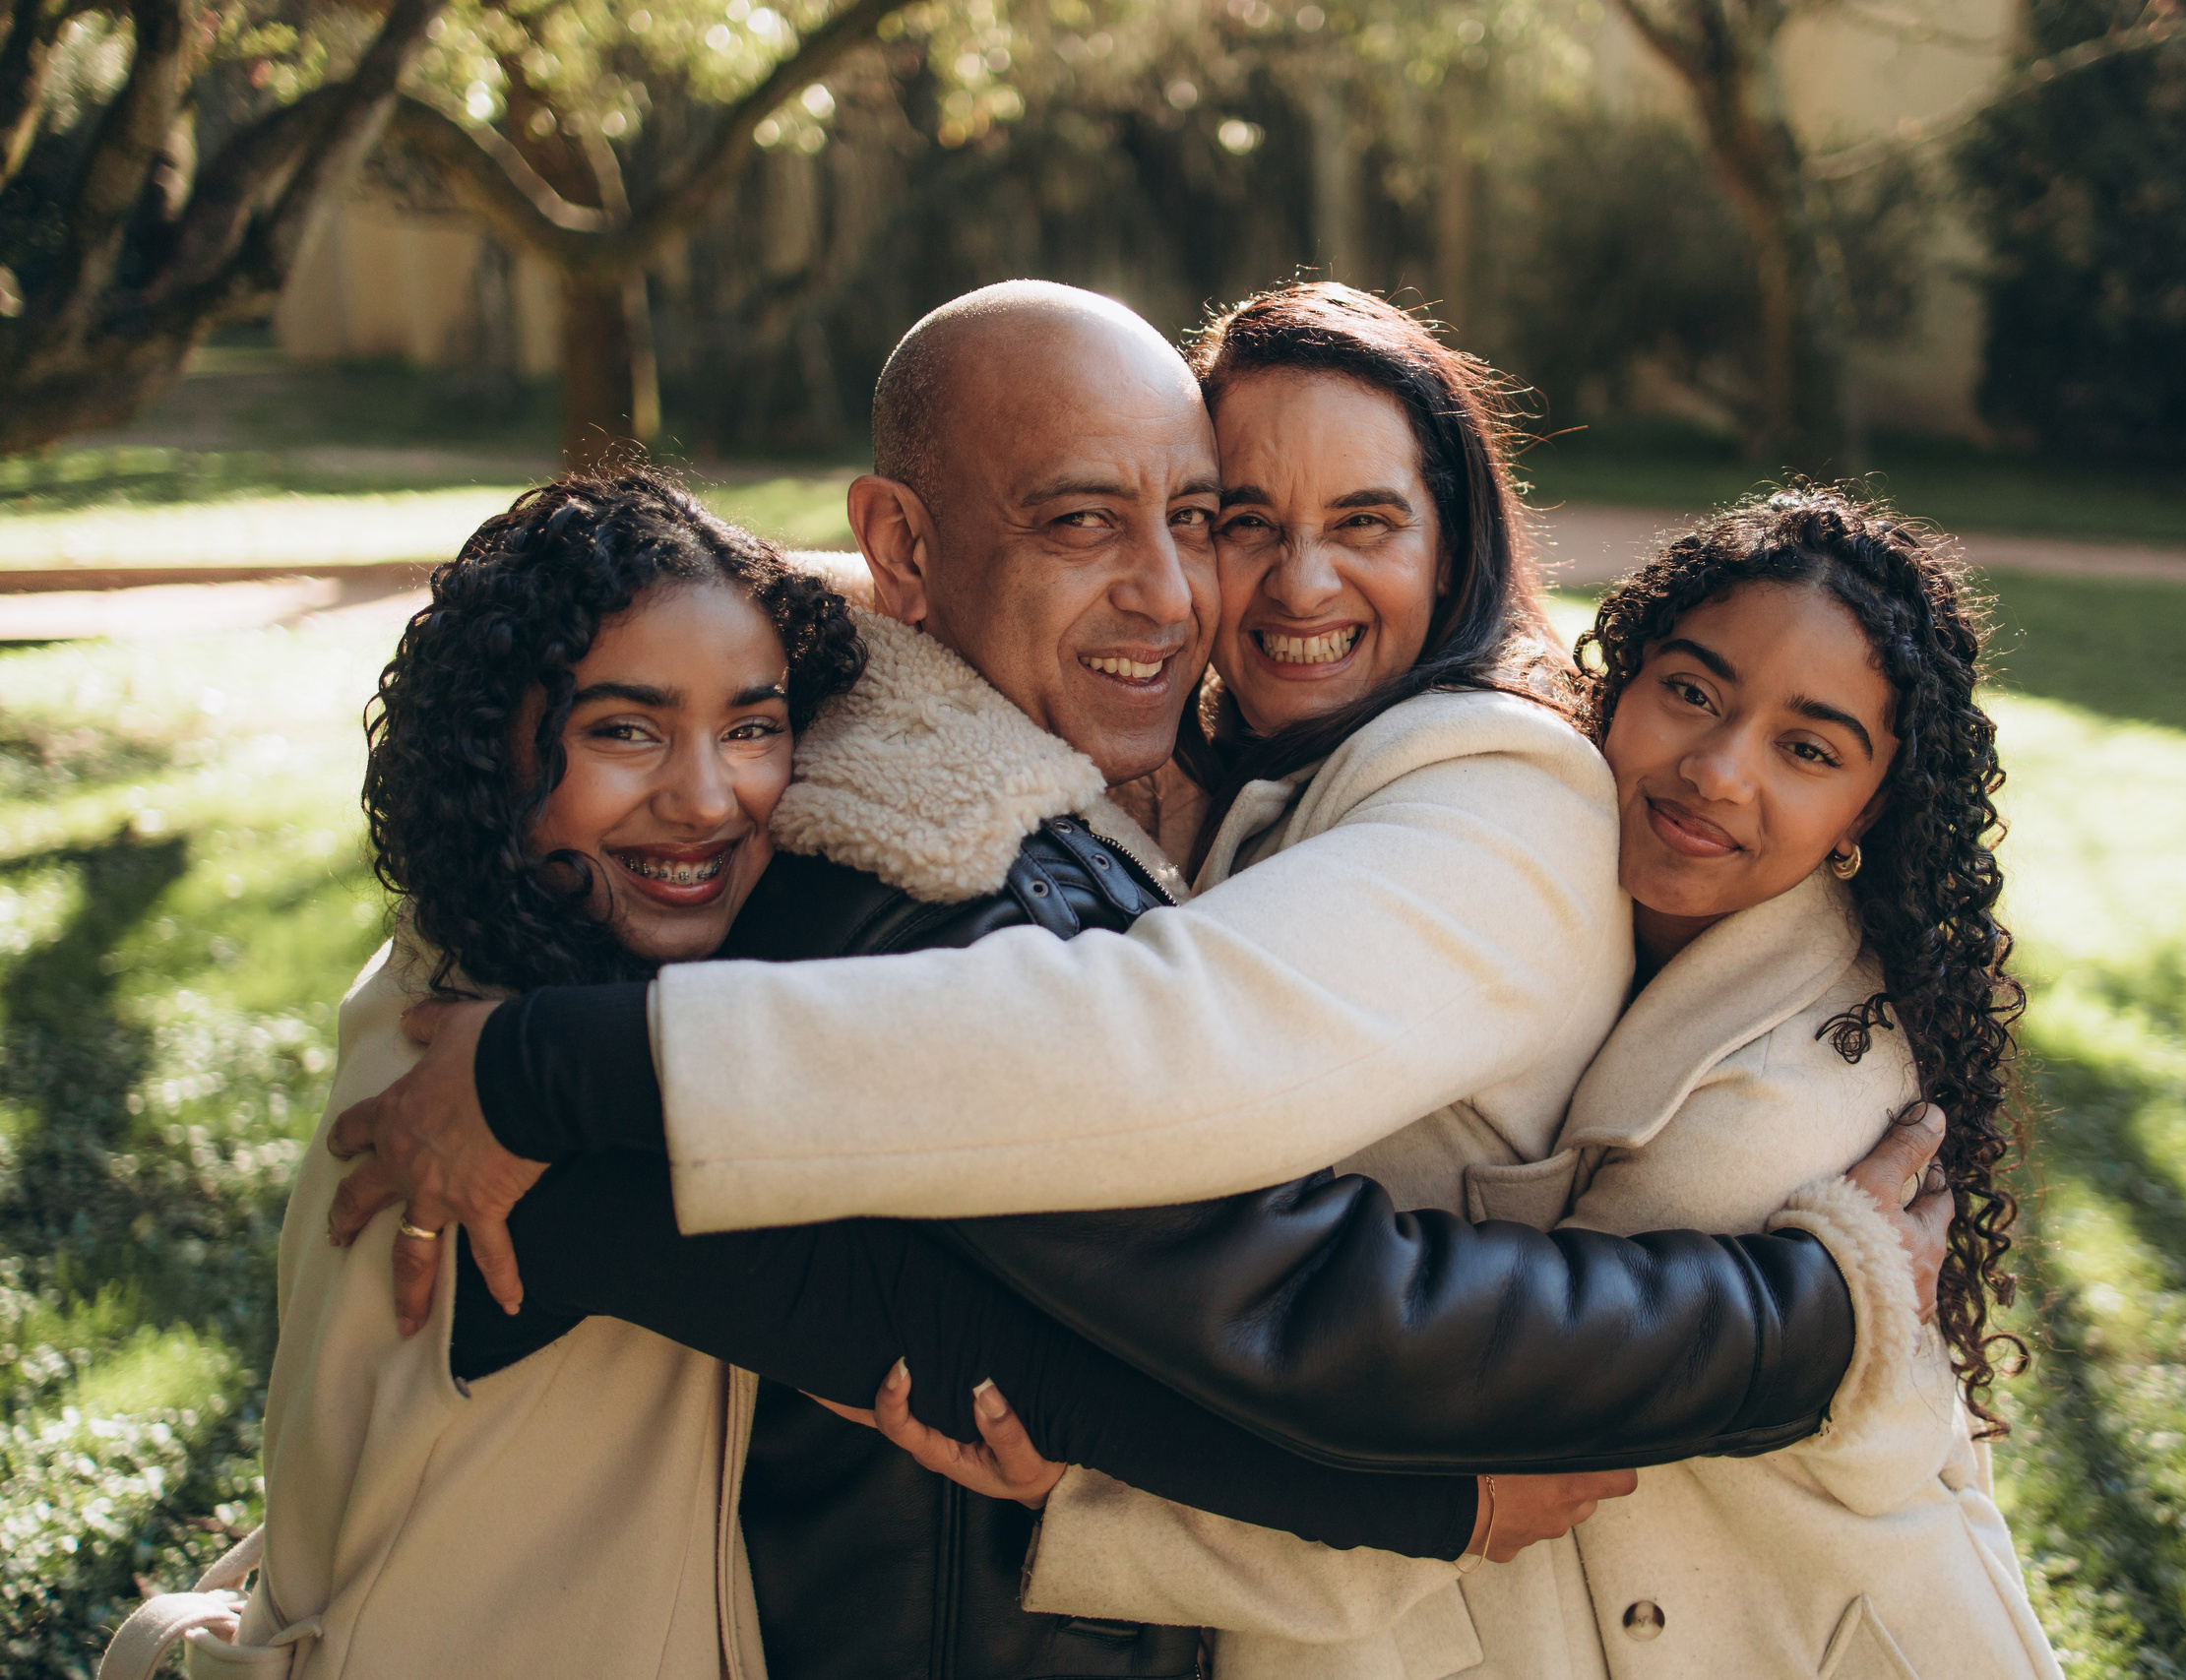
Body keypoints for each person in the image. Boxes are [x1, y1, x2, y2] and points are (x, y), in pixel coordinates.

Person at [325, 284, 1951, 1670]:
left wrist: (1806, 1321)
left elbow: (1173, 1103)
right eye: (1239, 518)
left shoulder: (1497, 787)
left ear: (1458, 546)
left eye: (1220, 520)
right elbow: (962, 1304)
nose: (1233, 588)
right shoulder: (493, 1017)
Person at [139, 471, 1591, 1680]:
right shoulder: (495, 1096)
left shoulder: (511, 975)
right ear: (490, 752)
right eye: (622, 730)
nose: (709, 796)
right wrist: (1436, 1498)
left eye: (755, 725)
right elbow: (969, 1348)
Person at [937, 489, 2063, 1679]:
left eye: (1807, 749)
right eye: (1691, 692)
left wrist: (1108, 1492)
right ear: (1617, 684)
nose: (1718, 771)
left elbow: (1520, 1428)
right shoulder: (1515, 886)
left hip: (1813, 1633)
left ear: (1868, 806)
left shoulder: (1812, 1070)